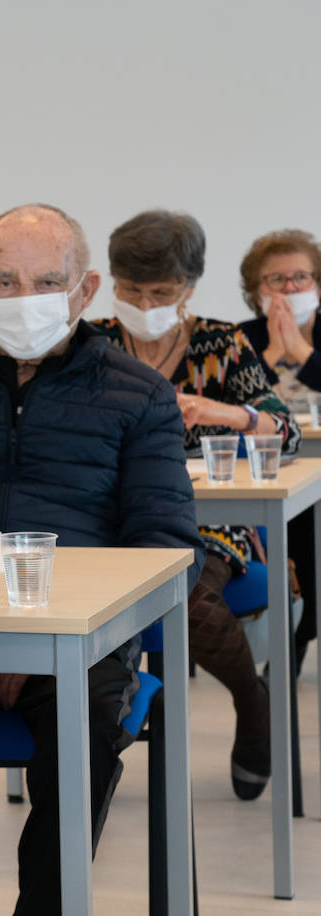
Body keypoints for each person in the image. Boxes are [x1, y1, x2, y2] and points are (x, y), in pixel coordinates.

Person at [0, 203, 203, 916]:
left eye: (46, 281)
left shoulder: (139, 395)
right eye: (4, 282)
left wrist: (50, 636)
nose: (23, 299)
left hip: (80, 642)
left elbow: (165, 545)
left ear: (86, 290)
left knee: (86, 720)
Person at [91, 209, 299, 801]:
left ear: (188, 289)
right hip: (108, 517)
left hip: (206, 520)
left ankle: (250, 702)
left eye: (162, 292)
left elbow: (285, 432)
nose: (146, 302)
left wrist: (224, 412)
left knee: (182, 585)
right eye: (132, 289)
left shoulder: (220, 343)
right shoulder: (93, 344)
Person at [236, 228, 321, 667]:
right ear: (256, 290)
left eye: (300, 277)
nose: (290, 289)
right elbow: (230, 404)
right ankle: (289, 633)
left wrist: (303, 352)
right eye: (276, 280)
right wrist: (270, 354)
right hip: (263, 470)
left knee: (307, 520)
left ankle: (297, 632)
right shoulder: (240, 337)